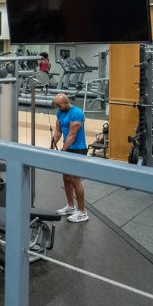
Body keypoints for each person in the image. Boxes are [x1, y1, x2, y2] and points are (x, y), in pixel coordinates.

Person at [51, 93, 89, 223]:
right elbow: (58, 132)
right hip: (67, 148)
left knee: (75, 179)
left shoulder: (77, 113)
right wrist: (51, 147)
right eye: (57, 105)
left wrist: (63, 150)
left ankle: (82, 212)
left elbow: (72, 135)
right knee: (66, 178)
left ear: (66, 102)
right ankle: (71, 206)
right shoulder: (60, 113)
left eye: (59, 105)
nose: (58, 108)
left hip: (78, 149)